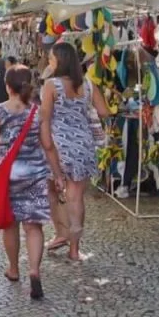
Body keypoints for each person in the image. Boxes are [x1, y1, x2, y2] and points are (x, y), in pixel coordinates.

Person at [0, 65, 64, 300]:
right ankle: (35, 272)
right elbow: (48, 145)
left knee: (10, 224)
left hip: (9, 175)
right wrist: (57, 174)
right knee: (33, 225)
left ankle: (14, 269)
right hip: (35, 173)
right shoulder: (37, 112)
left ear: (8, 87)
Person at [41, 42, 110, 261]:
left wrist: (44, 142)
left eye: (51, 58)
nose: (49, 62)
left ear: (59, 61)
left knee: (51, 190)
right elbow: (104, 112)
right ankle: (74, 249)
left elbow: (45, 117)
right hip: (83, 145)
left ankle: (61, 233)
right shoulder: (88, 84)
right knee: (76, 197)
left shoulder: (51, 85)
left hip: (58, 147)